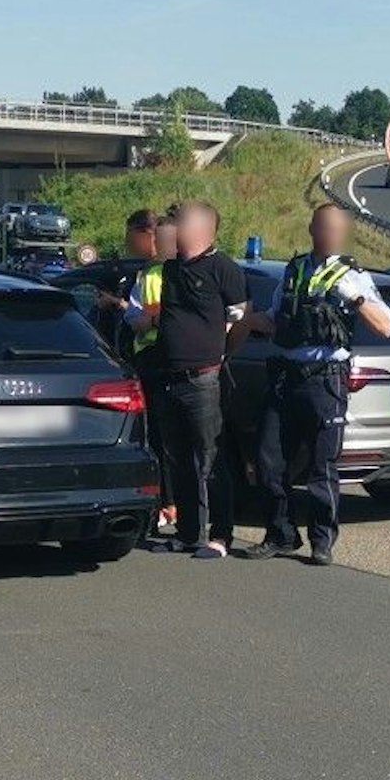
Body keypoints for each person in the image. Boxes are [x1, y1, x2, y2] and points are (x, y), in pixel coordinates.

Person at [240, 203, 390, 566]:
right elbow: (276, 321)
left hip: (325, 382)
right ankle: (280, 534)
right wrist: (244, 321)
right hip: (287, 378)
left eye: (336, 229)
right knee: (268, 460)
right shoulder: (294, 270)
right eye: (324, 227)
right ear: (312, 229)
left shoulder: (352, 274)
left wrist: (354, 298)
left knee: (322, 466)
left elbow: (386, 326)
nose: (330, 234)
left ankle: (322, 541)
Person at [130, 201, 249, 558]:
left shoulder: (222, 268)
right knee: (179, 458)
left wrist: (222, 354)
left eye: (178, 224)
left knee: (210, 458)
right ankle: (187, 533)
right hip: (170, 376)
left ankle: (221, 535)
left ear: (198, 229)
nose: (171, 230)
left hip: (204, 378)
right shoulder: (169, 270)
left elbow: (241, 318)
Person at [100, 209, 174, 538]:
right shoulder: (149, 272)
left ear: (149, 235)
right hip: (154, 360)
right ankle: (168, 504)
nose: (129, 245)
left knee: (161, 439)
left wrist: (132, 315)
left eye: (132, 238)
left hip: (160, 362)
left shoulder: (160, 273)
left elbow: (152, 318)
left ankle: (169, 505)